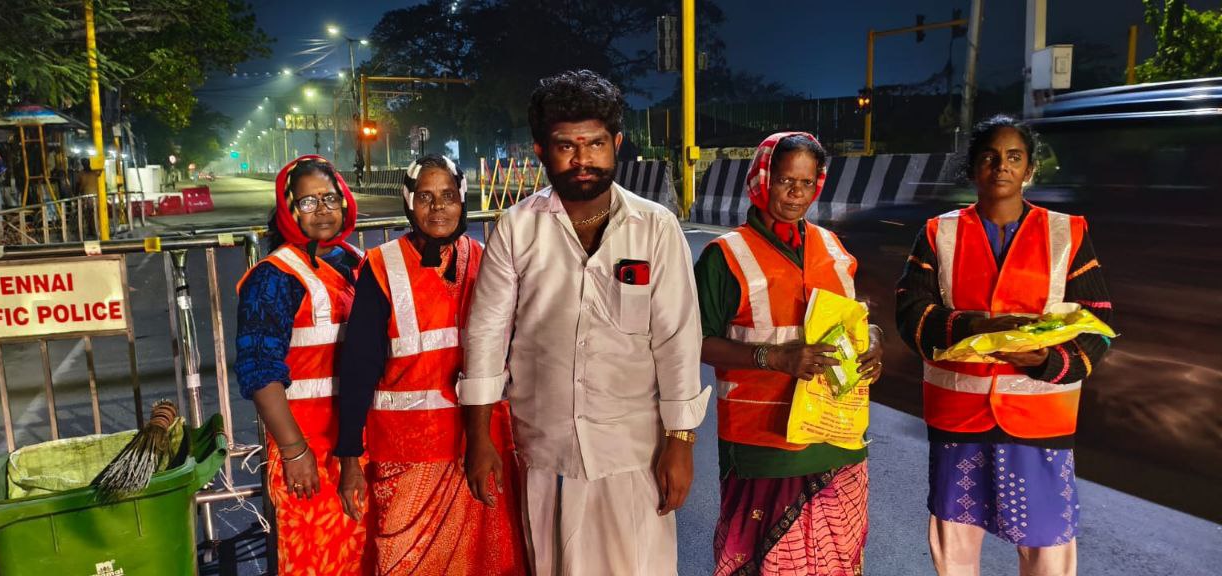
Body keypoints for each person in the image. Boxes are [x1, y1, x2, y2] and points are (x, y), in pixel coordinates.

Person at [458, 69, 710, 575]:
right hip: (546, 447)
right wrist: (479, 439)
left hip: (634, 449)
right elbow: (486, 334)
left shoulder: (655, 227)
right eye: (566, 146)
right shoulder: (517, 227)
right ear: (540, 151)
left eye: (594, 143)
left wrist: (681, 444)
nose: (582, 159)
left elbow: (678, 339)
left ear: (616, 143)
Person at [895, 115, 1113, 576]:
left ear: (1029, 169)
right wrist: (976, 326)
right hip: (958, 416)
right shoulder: (937, 233)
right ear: (973, 167)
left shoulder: (1067, 232)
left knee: (1047, 546)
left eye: (1014, 157)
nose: (1002, 166)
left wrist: (1049, 360)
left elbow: (1097, 321)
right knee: (955, 543)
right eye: (990, 157)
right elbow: (910, 313)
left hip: (1040, 418)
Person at [696, 132, 880, 575]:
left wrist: (872, 339)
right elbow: (697, 341)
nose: (797, 193)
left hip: (836, 437)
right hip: (763, 442)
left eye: (806, 182)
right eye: (785, 181)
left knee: (837, 561)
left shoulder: (834, 249)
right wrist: (774, 358)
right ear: (763, 180)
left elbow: (852, 319)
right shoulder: (725, 256)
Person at [335, 155, 528, 574]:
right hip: (408, 458)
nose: (438, 207)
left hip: (482, 445)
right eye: (425, 197)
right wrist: (350, 457)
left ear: (462, 200)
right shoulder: (381, 266)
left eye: (448, 196)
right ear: (409, 202)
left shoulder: (486, 259)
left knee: (488, 562)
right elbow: (358, 368)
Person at [234, 155, 367, 574]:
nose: (322, 209)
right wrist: (294, 452)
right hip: (310, 451)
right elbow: (259, 370)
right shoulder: (273, 278)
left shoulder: (355, 261)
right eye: (307, 202)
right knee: (318, 559)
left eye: (329, 197)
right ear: (288, 210)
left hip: (358, 445)